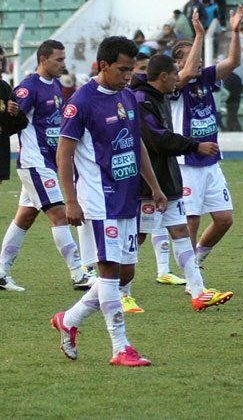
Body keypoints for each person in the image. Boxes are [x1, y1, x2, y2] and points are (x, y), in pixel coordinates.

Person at [51, 36, 167, 367]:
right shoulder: (81, 101)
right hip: (98, 201)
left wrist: (154, 186)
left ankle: (69, 319)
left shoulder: (127, 96)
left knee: (124, 273)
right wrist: (70, 201)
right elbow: (64, 154)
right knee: (109, 270)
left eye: (131, 70)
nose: (128, 76)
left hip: (127, 197)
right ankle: (121, 347)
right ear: (103, 65)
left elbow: (136, 145)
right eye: (122, 69)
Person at [131, 52, 234, 310]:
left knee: (180, 232)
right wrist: (194, 146)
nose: (180, 78)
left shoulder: (161, 96)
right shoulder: (142, 100)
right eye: (176, 74)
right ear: (163, 76)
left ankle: (198, 292)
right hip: (148, 183)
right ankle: (119, 292)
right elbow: (158, 139)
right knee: (138, 236)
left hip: (168, 178)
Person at [0, 40, 93, 293]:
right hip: (35, 162)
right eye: (59, 59)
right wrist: (12, 114)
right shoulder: (27, 88)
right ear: (43, 60)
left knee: (25, 217)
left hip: (48, 163)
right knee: (60, 214)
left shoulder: (54, 85)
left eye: (64, 59)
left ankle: (1, 272)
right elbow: (13, 123)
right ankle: (78, 273)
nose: (63, 64)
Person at [170, 5, 243, 270]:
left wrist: (235, 32)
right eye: (192, 56)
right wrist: (200, 35)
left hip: (211, 160)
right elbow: (188, 73)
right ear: (178, 63)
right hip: (186, 162)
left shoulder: (206, 77)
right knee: (191, 220)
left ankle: (198, 256)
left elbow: (233, 62)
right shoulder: (174, 84)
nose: (198, 60)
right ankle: (190, 275)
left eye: (199, 55)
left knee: (224, 218)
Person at [0, 46, 28, 184]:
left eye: (1, 61)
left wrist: (16, 114)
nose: (0, 67)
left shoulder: (4, 88)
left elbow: (17, 125)